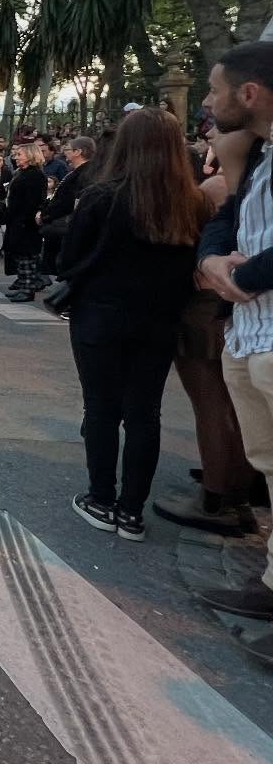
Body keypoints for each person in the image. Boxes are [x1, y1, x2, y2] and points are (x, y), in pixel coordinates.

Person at [61, 109, 209, 542]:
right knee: (145, 414)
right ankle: (132, 511)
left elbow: (69, 260)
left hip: (100, 316)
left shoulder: (102, 197)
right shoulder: (193, 202)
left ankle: (101, 498)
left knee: (102, 409)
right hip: (160, 320)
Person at [194, 42, 273, 645]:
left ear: (249, 94)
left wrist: (241, 277)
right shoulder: (260, 156)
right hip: (250, 335)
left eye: (215, 90)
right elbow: (227, 220)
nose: (206, 102)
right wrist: (213, 260)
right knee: (268, 466)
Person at [154, 125, 262, 536]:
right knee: (232, 404)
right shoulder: (239, 186)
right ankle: (235, 481)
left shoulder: (215, 189)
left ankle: (219, 495)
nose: (209, 136)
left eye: (216, 130)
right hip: (231, 306)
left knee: (212, 405)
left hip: (203, 307)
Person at [39, 135, 96, 276]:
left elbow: (68, 201)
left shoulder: (85, 174)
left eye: (68, 149)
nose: (65, 152)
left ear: (78, 152)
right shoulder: (77, 172)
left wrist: (46, 215)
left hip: (68, 223)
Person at [3, 143, 47, 302]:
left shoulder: (35, 175)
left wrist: (23, 218)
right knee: (20, 255)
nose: (16, 157)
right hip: (17, 219)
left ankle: (28, 289)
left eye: (19, 154)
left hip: (25, 221)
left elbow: (33, 200)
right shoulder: (21, 173)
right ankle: (23, 284)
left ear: (30, 155)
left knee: (26, 256)